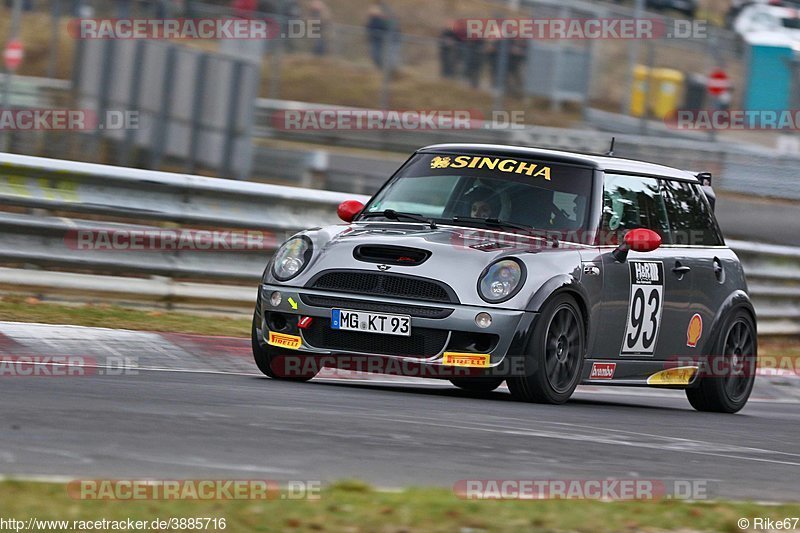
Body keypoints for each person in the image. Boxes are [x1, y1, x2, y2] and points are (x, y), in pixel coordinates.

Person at [366, 4, 389, 68]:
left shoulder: (381, 20)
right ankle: (379, 67)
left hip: (379, 40)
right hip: (374, 40)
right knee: (374, 55)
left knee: (377, 55)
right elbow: (368, 28)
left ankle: (382, 67)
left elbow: (385, 29)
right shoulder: (371, 20)